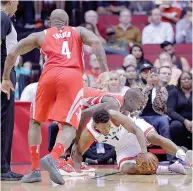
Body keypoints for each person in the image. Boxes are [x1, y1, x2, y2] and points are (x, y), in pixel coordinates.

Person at [1, 9, 109, 184]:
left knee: (35, 121)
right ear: (67, 23)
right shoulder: (78, 31)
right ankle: (54, 155)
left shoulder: (41, 35)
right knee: (69, 126)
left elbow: (13, 52)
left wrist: (5, 78)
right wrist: (104, 71)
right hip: (71, 76)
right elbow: (96, 42)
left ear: (49, 23)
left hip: (48, 76)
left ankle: (35, 168)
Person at [72, 109, 187, 175]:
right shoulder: (89, 133)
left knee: (154, 138)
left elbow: (137, 130)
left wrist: (144, 152)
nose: (107, 129)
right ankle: (170, 168)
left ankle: (184, 156)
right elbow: (79, 152)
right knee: (127, 169)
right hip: (122, 146)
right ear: (96, 125)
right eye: (104, 128)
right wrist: (76, 169)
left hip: (134, 131)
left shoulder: (114, 116)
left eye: (108, 126)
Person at [1, 0, 23, 181]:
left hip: (5, 73)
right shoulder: (2, 17)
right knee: (4, 122)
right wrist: (5, 78)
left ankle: (3, 167)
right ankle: (2, 168)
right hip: (4, 74)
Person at [167, 72, 192, 150]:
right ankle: (180, 150)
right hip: (179, 120)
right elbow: (170, 111)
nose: (186, 80)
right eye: (184, 79)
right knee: (175, 126)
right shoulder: (174, 92)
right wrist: (185, 121)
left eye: (189, 78)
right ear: (180, 81)